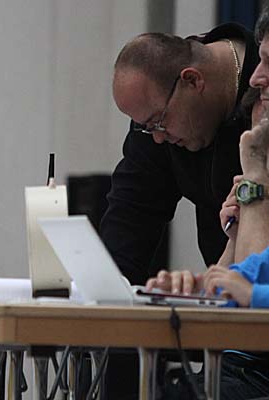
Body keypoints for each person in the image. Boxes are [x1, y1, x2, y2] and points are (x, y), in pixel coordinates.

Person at [100, 22, 260, 400]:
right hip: (230, 338)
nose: (157, 137)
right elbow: (130, 214)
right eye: (145, 128)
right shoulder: (160, 109)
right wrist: (108, 287)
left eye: (158, 122)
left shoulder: (262, 97)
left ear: (193, 81)